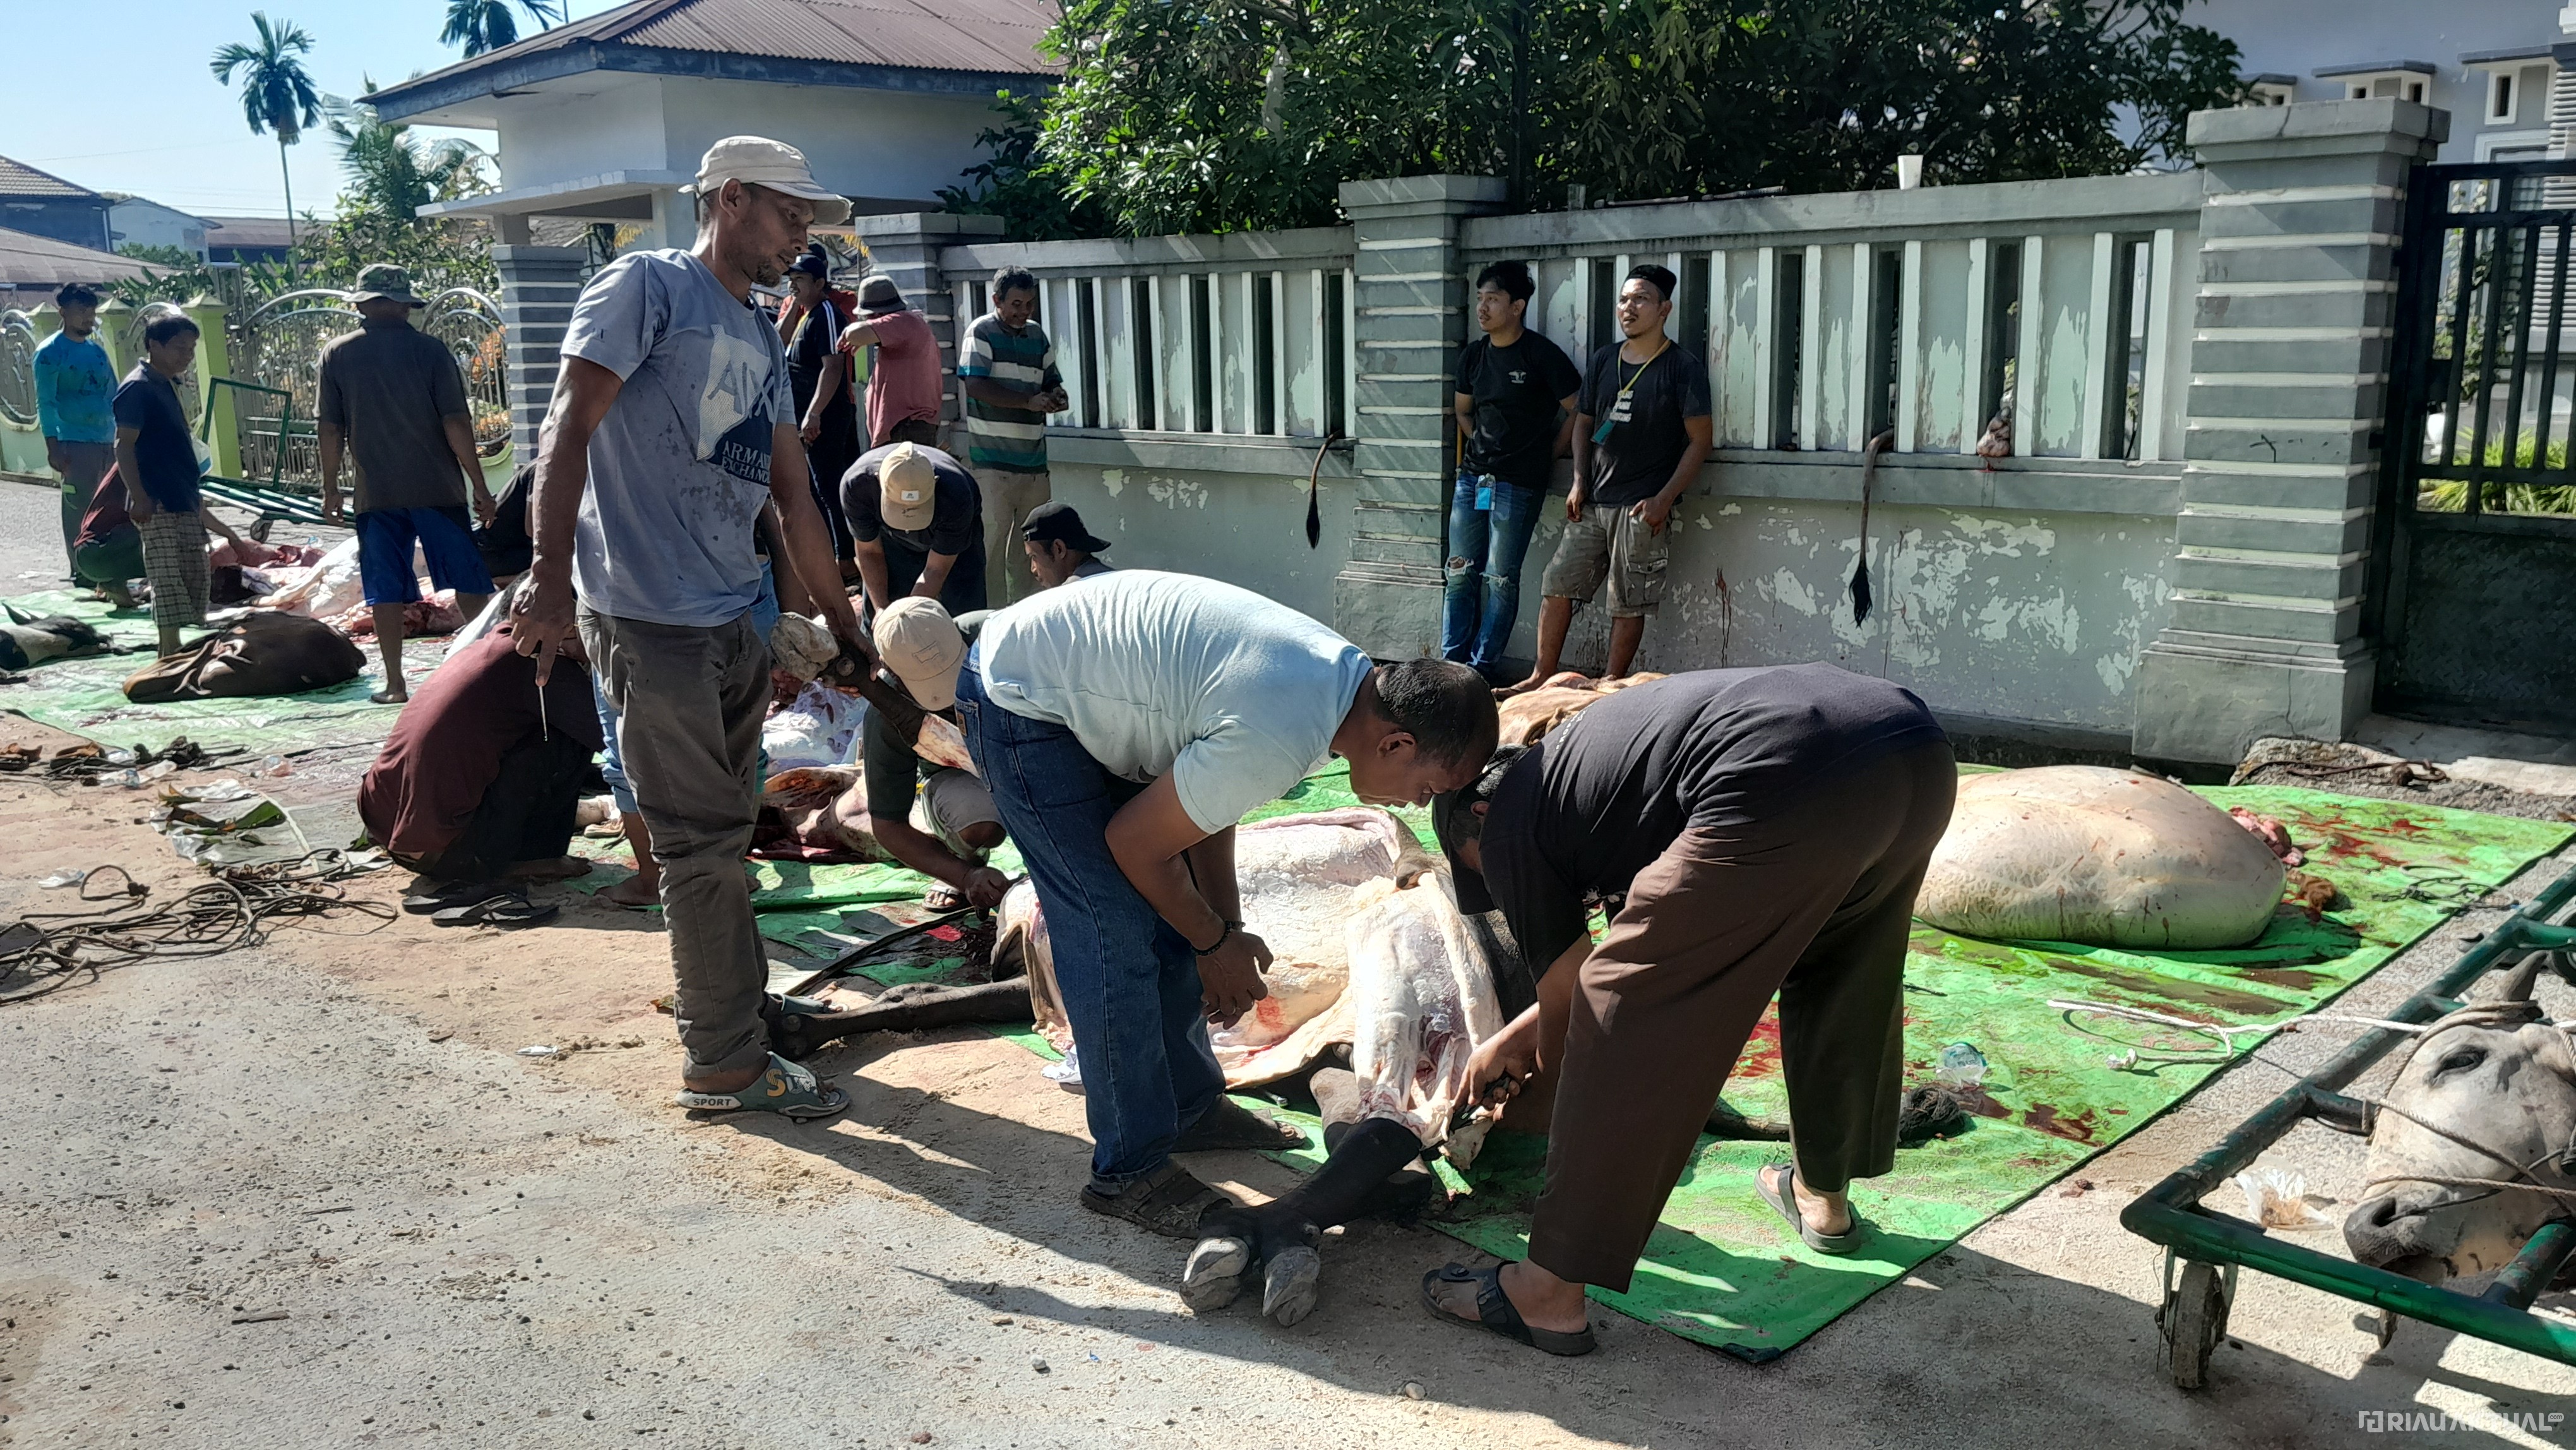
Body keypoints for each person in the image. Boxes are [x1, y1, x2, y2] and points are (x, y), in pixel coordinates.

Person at [1422, 666, 1955, 1356]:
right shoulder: (1600, 793)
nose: (1501, 885)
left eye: (1485, 871)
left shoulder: (1510, 824)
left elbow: (1592, 995)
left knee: (1625, 1005)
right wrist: (1522, 1035)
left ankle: (1547, 1290)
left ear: (1483, 819)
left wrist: (1541, 1092)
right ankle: (1823, 1197)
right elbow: (1638, 937)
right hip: (1912, 748)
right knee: (1841, 968)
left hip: (1782, 766)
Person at [953, 569, 1499, 1236]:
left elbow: (1207, 810)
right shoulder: (1284, 730)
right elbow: (1135, 844)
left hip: (1072, 676)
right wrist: (1213, 943)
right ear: (1396, 744)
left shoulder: (1338, 689)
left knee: (1169, 909)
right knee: (1115, 925)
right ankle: (1128, 1169)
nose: (1416, 805)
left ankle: (1188, 1105)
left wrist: (1227, 930)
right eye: (1425, 787)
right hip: (1019, 696)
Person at [510, 134, 873, 1122]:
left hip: (731, 615)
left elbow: (794, 495)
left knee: (727, 834)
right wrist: (546, 585)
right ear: (732, 197)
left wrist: (844, 624)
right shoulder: (647, 287)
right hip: (645, 612)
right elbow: (567, 429)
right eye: (792, 214)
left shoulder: (760, 333)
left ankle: (736, 1021)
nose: (805, 235)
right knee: (700, 846)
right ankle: (721, 1064)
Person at [1503, 264, 1714, 696]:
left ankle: (1610, 684)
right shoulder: (1604, 359)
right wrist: (1579, 481)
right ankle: (1541, 678)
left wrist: (1664, 498)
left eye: (1640, 300)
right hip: (1595, 501)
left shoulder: (1682, 367)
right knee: (1558, 583)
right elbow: (1583, 422)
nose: (1628, 308)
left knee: (1627, 598)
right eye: (1623, 299)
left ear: (1664, 309)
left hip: (1642, 506)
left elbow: (1700, 442)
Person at [318, 263, 499, 704]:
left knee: (386, 590)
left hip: (376, 496)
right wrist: (480, 486)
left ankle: (395, 685)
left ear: (363, 303)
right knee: (469, 582)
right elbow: (456, 421)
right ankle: (485, 675)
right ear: (402, 303)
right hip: (438, 491)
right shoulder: (431, 352)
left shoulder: (338, 354)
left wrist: (330, 487)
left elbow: (329, 428)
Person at [358, 623, 602, 899]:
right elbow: (617, 740)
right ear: (569, 626)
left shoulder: (491, 646)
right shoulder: (540, 663)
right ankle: (533, 858)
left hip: (387, 825)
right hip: (444, 851)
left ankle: (486, 847)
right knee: (566, 741)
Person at [1448, 261, 1582, 683]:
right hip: (1472, 481)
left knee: (1500, 578)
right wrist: (1478, 446)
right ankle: (1452, 667)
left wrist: (1551, 454)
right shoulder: (1474, 355)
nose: (1483, 308)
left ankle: (1480, 672)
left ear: (1518, 306)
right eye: (1480, 299)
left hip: (1518, 485)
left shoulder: (1540, 355)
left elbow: (1579, 410)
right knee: (1459, 572)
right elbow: (1463, 410)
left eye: (1493, 299)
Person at [116, 310, 252, 657]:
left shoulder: (168, 385)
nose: (187, 355)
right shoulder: (138, 388)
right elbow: (124, 445)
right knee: (166, 576)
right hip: (156, 497)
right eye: (179, 347)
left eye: (192, 347)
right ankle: (169, 647)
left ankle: (181, 641)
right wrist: (139, 495)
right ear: (154, 345)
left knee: (193, 570)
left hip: (183, 494)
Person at [862, 597, 1010, 911]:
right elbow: (889, 826)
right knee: (978, 823)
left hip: (1034, 753)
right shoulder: (885, 712)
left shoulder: (1007, 630)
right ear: (891, 671)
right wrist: (966, 876)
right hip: (958, 776)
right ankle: (960, 855)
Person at [957, 267, 1068, 605]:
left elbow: (1052, 380)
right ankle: (987, 618)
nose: (1024, 312)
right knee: (989, 548)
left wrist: (1057, 395)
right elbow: (974, 385)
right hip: (992, 464)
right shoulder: (981, 332)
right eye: (1017, 304)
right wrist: (1027, 402)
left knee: (1035, 550)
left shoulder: (1037, 336)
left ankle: (1029, 616)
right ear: (997, 301)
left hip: (1034, 465)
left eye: (1029, 304)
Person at [779, 244, 862, 570]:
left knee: (830, 487)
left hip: (827, 416)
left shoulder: (827, 313)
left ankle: (846, 560)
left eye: (800, 280)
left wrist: (814, 413)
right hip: (806, 418)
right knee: (815, 488)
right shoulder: (804, 314)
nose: (793, 286)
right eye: (791, 280)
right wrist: (791, 307)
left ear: (819, 283)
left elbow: (833, 366)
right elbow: (777, 343)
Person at [843, 440, 986, 618]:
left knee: (961, 616)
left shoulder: (957, 494)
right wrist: (881, 610)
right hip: (889, 539)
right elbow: (869, 551)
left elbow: (936, 569)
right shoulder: (857, 486)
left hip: (952, 545)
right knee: (880, 615)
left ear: (935, 483)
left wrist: (908, 618)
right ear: (879, 480)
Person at [36, 283, 117, 584]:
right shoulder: (50, 353)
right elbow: (45, 401)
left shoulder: (97, 352)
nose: (88, 317)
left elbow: (113, 393)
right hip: (73, 442)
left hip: (107, 440)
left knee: (109, 506)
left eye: (91, 310)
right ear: (64, 312)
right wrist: (53, 445)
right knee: (79, 508)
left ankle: (107, 567)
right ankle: (81, 570)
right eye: (81, 310)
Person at [838, 273, 943, 450]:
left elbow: (855, 334)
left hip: (906, 428)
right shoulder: (908, 326)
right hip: (906, 427)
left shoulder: (902, 321)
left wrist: (849, 331)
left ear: (878, 315)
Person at [70, 464, 142, 610]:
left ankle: (110, 582)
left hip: (94, 550)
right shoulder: (141, 461)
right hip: (99, 551)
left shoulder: (132, 459)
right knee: (170, 535)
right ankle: (113, 582)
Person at [1020, 500, 1112, 589]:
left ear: (1059, 549)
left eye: (1034, 557)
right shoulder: (1117, 581)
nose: (1033, 569)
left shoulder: (1070, 598)